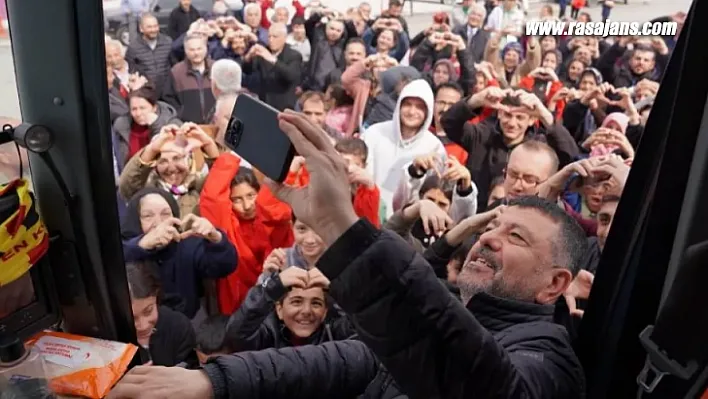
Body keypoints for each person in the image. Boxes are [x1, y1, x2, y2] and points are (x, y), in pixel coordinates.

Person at [108, 111, 586, 399]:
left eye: (516, 238)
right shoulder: (459, 312)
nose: (488, 239)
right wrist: (215, 383)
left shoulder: (547, 358)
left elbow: (476, 378)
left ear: (555, 284)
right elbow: (341, 359)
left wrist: (343, 231)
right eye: (490, 227)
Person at [121, 187, 238, 319]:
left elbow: (226, 266)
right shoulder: (124, 246)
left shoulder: (186, 244)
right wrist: (142, 245)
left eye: (165, 214)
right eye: (148, 216)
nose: (159, 223)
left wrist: (215, 238)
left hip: (185, 323)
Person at [199, 152, 294, 314]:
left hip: (276, 302)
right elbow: (212, 199)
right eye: (237, 199)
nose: (247, 205)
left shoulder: (273, 221)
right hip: (236, 306)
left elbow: (277, 209)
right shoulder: (228, 224)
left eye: (251, 195)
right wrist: (228, 156)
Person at [362, 79, 446, 216]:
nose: (412, 112)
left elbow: (434, 191)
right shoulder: (374, 133)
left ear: (428, 112)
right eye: (407, 104)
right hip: (367, 213)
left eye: (419, 107)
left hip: (403, 224)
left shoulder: (434, 147)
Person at [225, 266, 355, 351]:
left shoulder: (335, 334)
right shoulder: (267, 337)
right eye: (296, 302)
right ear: (279, 309)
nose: (306, 311)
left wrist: (341, 289)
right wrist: (271, 289)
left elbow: (369, 321)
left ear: (325, 311)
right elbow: (237, 335)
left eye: (316, 303)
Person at [126, 261, 198, 366]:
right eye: (132, 318)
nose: (143, 326)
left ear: (156, 296)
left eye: (148, 311)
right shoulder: (111, 341)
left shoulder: (178, 326)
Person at [242, 22, 302, 111]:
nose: (271, 40)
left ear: (284, 38)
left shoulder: (294, 55)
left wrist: (272, 59)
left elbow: (291, 76)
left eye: (275, 37)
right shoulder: (263, 51)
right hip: (263, 103)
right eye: (269, 36)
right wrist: (248, 57)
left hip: (283, 106)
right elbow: (248, 71)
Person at [162, 34, 216, 124]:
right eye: (192, 49)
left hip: (215, 124)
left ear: (206, 48)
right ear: (186, 51)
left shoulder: (216, 68)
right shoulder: (176, 71)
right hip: (188, 126)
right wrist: (181, 114)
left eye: (199, 49)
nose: (196, 53)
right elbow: (168, 97)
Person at [124, 14, 173, 96]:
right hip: (146, 92)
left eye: (155, 26)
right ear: (141, 29)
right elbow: (131, 70)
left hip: (167, 91)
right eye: (149, 27)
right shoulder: (134, 47)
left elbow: (174, 64)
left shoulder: (168, 42)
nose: (153, 29)